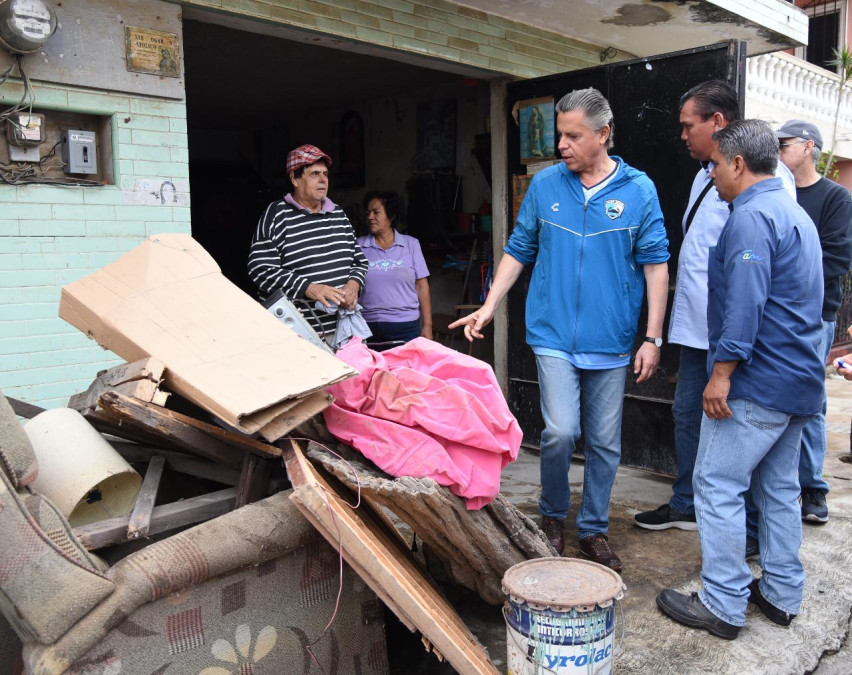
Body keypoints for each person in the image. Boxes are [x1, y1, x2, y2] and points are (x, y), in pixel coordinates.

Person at [450, 88, 669, 572]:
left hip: (611, 340)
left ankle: (592, 528)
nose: (562, 146)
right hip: (551, 335)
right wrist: (489, 306)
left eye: (573, 136)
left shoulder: (639, 190)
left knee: (607, 442)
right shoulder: (547, 186)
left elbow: (656, 266)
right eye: (559, 135)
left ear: (603, 134)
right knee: (561, 432)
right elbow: (518, 249)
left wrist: (652, 338)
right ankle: (552, 515)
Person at [656, 119, 824, 639]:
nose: (710, 174)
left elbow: (745, 306)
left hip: (758, 383)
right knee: (776, 490)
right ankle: (779, 593)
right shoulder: (793, 211)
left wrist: (720, 374)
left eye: (714, 164)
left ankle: (724, 603)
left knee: (716, 484)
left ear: (736, 163)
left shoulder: (752, 219)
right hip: (798, 382)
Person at [634, 82, 796, 558]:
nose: (682, 134)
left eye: (689, 125)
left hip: (734, 334)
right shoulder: (704, 176)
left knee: (731, 428)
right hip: (697, 326)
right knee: (687, 414)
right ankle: (686, 501)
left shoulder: (768, 184)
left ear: (718, 123)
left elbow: (753, 273)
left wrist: (730, 357)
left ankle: (742, 526)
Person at [776, 119, 852, 524]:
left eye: (783, 144)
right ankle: (780, 488)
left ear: (808, 148)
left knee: (811, 403)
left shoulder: (834, 197)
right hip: (774, 318)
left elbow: (837, 260)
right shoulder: (776, 194)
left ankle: (813, 489)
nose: (777, 151)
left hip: (813, 317)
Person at [247, 144, 368, 342]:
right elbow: (260, 269)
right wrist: (309, 288)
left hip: (345, 330)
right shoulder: (277, 214)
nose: (323, 180)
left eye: (325, 174)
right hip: (298, 335)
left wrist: (353, 285)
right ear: (294, 178)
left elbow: (359, 262)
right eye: (314, 174)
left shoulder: (337, 214)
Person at [357, 190, 433, 349]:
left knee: (404, 372)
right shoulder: (359, 245)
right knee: (372, 373)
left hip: (405, 325)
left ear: (391, 216)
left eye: (376, 212)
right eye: (368, 212)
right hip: (367, 325)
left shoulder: (411, 244)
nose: (370, 217)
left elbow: (422, 286)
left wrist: (428, 325)